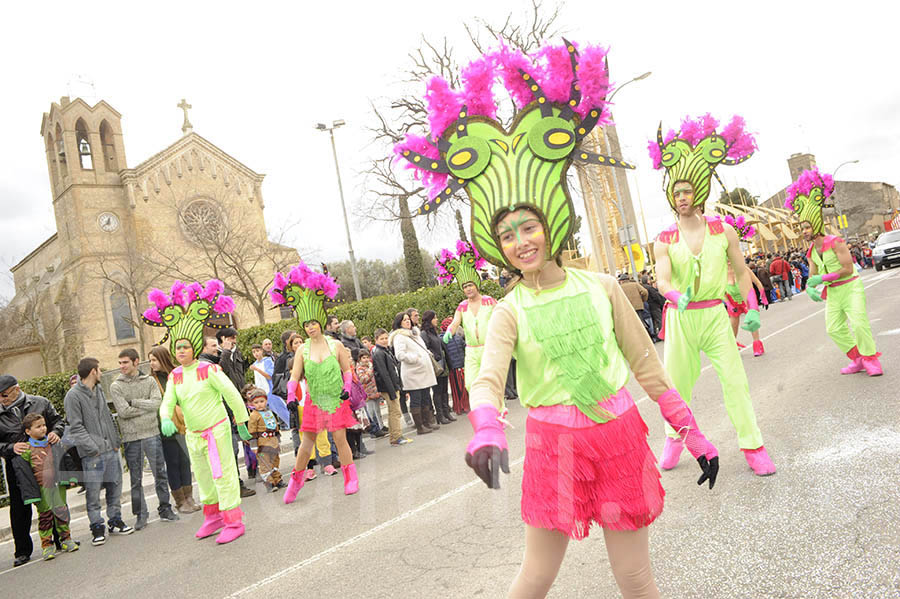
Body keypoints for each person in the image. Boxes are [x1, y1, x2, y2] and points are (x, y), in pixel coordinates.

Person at [394, 41, 719, 597]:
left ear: (551, 223)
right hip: (555, 448)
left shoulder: (602, 287)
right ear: (495, 245)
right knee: (538, 575)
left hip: (619, 438)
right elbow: (488, 379)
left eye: (529, 227)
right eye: (507, 233)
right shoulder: (506, 312)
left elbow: (646, 363)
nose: (521, 241)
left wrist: (692, 433)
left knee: (635, 574)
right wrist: (489, 428)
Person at [650, 113, 776, 476]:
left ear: (700, 192)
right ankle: (675, 438)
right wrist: (674, 295)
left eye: (687, 191)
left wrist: (750, 308)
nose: (681, 197)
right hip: (681, 319)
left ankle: (753, 446)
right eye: (676, 192)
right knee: (676, 388)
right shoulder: (664, 239)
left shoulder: (724, 231)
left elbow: (741, 272)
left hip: (715, 316)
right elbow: (661, 280)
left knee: (735, 381)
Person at [144, 279, 251, 544]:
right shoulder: (176, 376)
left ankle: (233, 521)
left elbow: (231, 394)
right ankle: (213, 517)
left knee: (223, 474)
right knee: (203, 478)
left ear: (193, 347)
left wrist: (242, 420)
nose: (180, 351)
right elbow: (168, 400)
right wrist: (166, 417)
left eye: (185, 347)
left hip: (217, 431)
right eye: (177, 347)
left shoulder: (209, 369)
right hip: (194, 435)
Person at [269, 261, 360, 503]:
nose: (310, 328)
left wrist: (347, 389)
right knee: (306, 443)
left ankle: (350, 478)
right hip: (313, 400)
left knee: (340, 439)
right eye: (306, 324)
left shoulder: (336, 344)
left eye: (313, 323)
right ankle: (296, 483)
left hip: (335, 399)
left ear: (320, 322)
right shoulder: (302, 350)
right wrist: (290, 398)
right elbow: (294, 376)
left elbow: (347, 370)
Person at [785, 168, 883, 376]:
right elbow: (811, 276)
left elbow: (848, 270)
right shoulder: (811, 252)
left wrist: (824, 277)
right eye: (802, 229)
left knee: (859, 324)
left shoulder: (836, 242)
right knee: (834, 329)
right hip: (833, 293)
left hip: (850, 287)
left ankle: (871, 359)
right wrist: (808, 286)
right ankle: (857, 359)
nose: (804, 232)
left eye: (807, 228)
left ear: (817, 225)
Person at [65, 357, 134, 546]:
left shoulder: (99, 389)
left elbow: (107, 418)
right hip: (92, 454)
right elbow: (76, 427)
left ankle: (115, 520)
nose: (101, 373)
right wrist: (92, 448)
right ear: (93, 372)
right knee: (93, 494)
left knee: (115, 488)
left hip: (110, 449)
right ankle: (96, 527)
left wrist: (115, 442)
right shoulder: (73, 396)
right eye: (99, 370)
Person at [0, 375, 68, 566]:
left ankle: (61, 539)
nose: (1, 400)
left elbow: (58, 421)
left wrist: (56, 432)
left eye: (4, 395)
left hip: (45, 461)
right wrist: (10, 448)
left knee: (53, 499)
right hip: (17, 465)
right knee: (20, 508)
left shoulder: (40, 402)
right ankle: (22, 551)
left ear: (16, 389)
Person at [110, 348, 179, 531]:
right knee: (135, 478)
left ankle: (165, 508)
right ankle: (141, 514)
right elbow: (123, 412)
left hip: (152, 433)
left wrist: (134, 402)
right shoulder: (116, 386)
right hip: (131, 438)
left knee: (160, 473)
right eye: (120, 363)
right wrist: (144, 406)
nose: (122, 366)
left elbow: (157, 404)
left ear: (136, 361)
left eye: (125, 362)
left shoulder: (149, 381)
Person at [11, 413, 79, 561]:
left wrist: (71, 477)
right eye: (38, 426)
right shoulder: (26, 450)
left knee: (62, 512)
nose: (43, 429)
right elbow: (23, 475)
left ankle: (66, 539)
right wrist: (30, 494)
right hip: (42, 489)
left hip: (57, 485)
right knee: (46, 516)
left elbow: (65, 458)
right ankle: (47, 546)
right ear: (28, 431)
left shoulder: (53, 442)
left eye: (44, 425)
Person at [438, 240, 498, 391]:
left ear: (477, 285)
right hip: (471, 350)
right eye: (465, 287)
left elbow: (502, 318)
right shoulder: (462, 306)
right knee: (470, 384)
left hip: (489, 348)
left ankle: (497, 411)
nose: (468, 289)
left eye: (470, 285)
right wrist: (449, 332)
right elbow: (455, 322)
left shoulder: (490, 301)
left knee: (491, 383)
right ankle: (482, 410)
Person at [149, 346, 199, 514]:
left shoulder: (175, 374)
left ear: (163, 359)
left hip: (182, 425)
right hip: (166, 427)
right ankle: (180, 501)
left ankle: (189, 496)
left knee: (185, 461)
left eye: (154, 360)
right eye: (150, 360)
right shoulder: (152, 380)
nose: (151, 364)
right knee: (173, 463)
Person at [390, 311, 438, 436]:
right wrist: (415, 358)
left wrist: (426, 353)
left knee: (425, 397)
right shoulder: (400, 336)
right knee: (416, 399)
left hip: (423, 372)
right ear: (399, 323)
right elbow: (400, 355)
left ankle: (427, 422)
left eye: (408, 319)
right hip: (413, 373)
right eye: (404, 320)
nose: (407, 321)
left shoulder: (415, 333)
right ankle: (420, 426)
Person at [372, 328, 411, 446]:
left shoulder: (385, 350)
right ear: (376, 340)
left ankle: (396, 435)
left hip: (393, 385)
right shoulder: (378, 353)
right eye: (381, 339)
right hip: (389, 388)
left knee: (393, 412)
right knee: (395, 412)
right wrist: (392, 391)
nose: (384, 340)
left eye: (386, 338)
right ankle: (396, 437)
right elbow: (384, 374)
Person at [244, 386, 287, 492]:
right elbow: (252, 432)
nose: (259, 404)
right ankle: (269, 482)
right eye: (256, 402)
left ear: (266, 401)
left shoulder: (270, 412)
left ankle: (277, 479)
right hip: (262, 444)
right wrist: (254, 446)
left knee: (275, 462)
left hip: (273, 442)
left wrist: (278, 439)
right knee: (265, 463)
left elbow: (275, 426)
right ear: (252, 404)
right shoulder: (254, 415)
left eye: (262, 401)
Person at [421, 309, 455, 424]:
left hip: (443, 364)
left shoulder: (435, 332)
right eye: (434, 318)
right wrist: (435, 356)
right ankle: (440, 415)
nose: (436, 320)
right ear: (429, 320)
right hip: (436, 366)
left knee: (444, 390)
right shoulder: (425, 334)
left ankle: (446, 412)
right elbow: (426, 349)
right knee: (438, 391)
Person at [250, 343, 289, 427]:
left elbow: (269, 376)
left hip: (271, 391)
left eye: (257, 351)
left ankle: (294, 428)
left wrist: (257, 369)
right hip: (261, 393)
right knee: (268, 415)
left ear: (261, 351)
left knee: (282, 410)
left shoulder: (267, 361)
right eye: (254, 352)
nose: (256, 353)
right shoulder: (255, 364)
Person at [354, 348, 387, 437]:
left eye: (367, 357)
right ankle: (373, 430)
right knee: (371, 412)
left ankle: (380, 426)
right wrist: (370, 371)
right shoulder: (360, 368)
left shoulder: (369, 366)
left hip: (375, 392)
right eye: (364, 358)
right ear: (359, 359)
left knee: (377, 411)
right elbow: (363, 379)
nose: (366, 360)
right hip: (368, 394)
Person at [441, 317, 470, 415]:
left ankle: (463, 406)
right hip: (455, 367)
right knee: (459, 388)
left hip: (459, 366)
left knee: (461, 388)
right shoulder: (445, 339)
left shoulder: (455, 337)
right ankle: (461, 406)